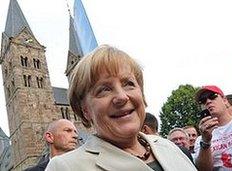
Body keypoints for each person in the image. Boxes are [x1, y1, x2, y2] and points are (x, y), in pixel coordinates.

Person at [45, 45, 197, 171]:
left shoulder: (167, 146)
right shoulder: (65, 167)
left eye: (129, 84)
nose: (122, 97)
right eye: (104, 89)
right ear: (85, 110)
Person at [193, 85, 232, 171]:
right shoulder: (200, 140)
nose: (208, 101)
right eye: (203, 101)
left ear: (225, 100)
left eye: (212, 97)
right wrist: (206, 141)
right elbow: (203, 169)